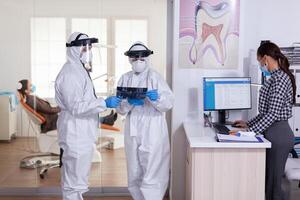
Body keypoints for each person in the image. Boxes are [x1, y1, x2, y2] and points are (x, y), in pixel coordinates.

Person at [55, 32, 121, 200]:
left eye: (90, 47)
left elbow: (83, 101)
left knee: (78, 180)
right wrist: (104, 103)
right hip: (75, 132)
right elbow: (76, 107)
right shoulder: (71, 73)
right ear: (73, 49)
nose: (88, 50)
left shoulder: (79, 69)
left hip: (81, 131)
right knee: (73, 182)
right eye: (84, 47)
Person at [230, 42, 296, 200]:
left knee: (274, 186)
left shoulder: (280, 79)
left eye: (259, 61)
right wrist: (248, 124)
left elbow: (272, 114)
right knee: (267, 182)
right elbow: (266, 113)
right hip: (271, 132)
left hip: (279, 135)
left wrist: (249, 132)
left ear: (265, 58)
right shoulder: (273, 78)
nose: (260, 65)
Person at [116, 42, 174, 200]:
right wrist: (128, 103)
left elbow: (168, 104)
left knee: (152, 169)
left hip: (152, 127)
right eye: (135, 57)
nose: (139, 60)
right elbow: (120, 109)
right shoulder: (124, 78)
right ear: (129, 59)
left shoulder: (155, 77)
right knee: (134, 170)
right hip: (132, 128)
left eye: (142, 57)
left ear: (147, 57)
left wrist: (157, 98)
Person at [17, 79, 118, 133]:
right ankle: (106, 120)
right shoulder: (31, 99)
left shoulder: (29, 98)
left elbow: (48, 109)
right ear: (26, 90)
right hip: (52, 123)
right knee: (80, 118)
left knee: (81, 117)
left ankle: (105, 119)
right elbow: (48, 109)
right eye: (30, 85)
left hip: (53, 120)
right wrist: (62, 107)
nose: (32, 86)